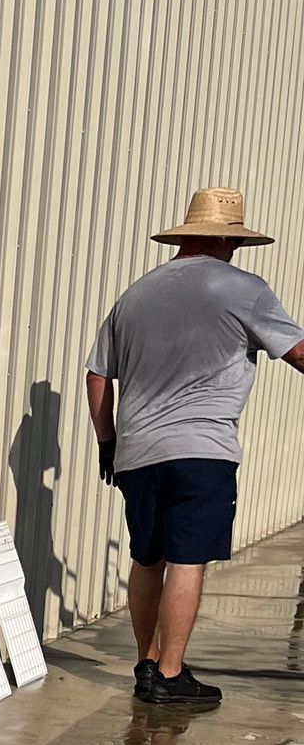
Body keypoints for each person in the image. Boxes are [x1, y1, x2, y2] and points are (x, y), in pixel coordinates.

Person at [84, 186, 304, 706]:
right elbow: (297, 352)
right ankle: (172, 673)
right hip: (201, 447)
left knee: (148, 557)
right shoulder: (242, 288)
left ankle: (146, 662)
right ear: (228, 241)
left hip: (136, 450)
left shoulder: (135, 294)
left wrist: (108, 443)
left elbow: (97, 375)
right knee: (188, 559)